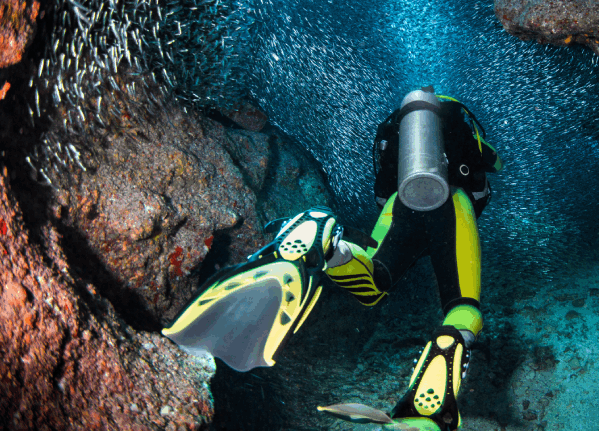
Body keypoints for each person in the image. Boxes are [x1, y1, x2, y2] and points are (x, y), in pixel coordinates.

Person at [162, 87, 503, 430]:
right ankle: (432, 389)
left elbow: (382, 184)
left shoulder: (398, 131)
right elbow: (490, 165)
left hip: (400, 203)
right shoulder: (459, 122)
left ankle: (325, 241)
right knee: (463, 307)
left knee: (374, 282)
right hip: (452, 202)